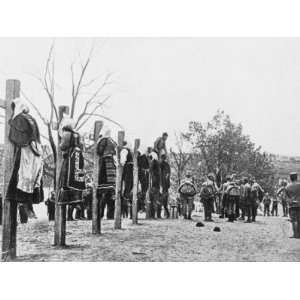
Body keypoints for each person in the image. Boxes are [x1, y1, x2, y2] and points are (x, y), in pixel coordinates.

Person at [6, 98, 44, 221]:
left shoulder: (19, 119)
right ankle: (29, 206)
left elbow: (16, 138)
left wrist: (11, 124)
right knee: (31, 178)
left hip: (26, 152)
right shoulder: (31, 118)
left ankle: (25, 205)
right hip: (36, 150)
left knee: (22, 177)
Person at [57, 120, 86, 209]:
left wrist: (60, 143)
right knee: (77, 179)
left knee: (66, 177)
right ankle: (76, 200)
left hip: (71, 156)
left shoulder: (66, 133)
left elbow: (63, 146)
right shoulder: (78, 134)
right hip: (79, 156)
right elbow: (82, 146)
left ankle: (66, 200)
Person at [96, 129, 117, 219]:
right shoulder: (112, 141)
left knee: (104, 192)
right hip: (111, 164)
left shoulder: (103, 140)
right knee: (110, 192)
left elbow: (99, 152)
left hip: (105, 164)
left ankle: (100, 214)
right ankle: (110, 215)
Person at [121, 141, 134, 218]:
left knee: (127, 187)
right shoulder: (129, 151)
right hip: (130, 169)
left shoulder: (125, 150)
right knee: (128, 187)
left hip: (127, 168)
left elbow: (123, 161)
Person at [285, 172, 300, 238]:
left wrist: (290, 202)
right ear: (297, 177)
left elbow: (286, 197)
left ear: (290, 178)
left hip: (292, 205)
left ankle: (295, 234)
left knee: (293, 220)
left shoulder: (287, 187)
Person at [137, 147, 151, 211]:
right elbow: (140, 167)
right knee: (142, 190)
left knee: (144, 190)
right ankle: (141, 206)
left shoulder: (147, 157)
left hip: (145, 176)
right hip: (141, 176)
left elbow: (148, 167)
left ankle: (142, 205)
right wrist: (145, 169)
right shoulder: (142, 157)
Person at [149, 151, 161, 218]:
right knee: (155, 200)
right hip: (157, 184)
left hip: (154, 184)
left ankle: (153, 215)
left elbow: (150, 170)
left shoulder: (154, 162)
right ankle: (155, 215)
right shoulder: (157, 163)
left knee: (153, 200)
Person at [160, 154, 171, 218]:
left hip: (164, 185)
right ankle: (167, 213)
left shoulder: (163, 164)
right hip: (165, 185)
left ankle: (167, 214)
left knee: (164, 200)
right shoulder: (166, 165)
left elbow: (167, 174)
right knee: (164, 201)